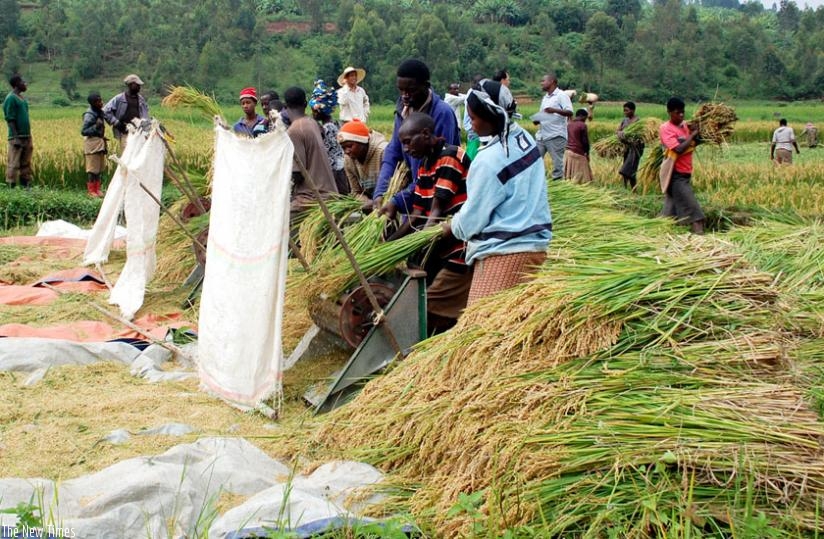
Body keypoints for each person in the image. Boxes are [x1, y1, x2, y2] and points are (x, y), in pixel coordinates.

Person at [443, 79, 552, 305]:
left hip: (505, 253)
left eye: (472, 118)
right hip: (535, 246)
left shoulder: (489, 160)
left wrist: (452, 226)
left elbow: (473, 219)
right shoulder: (523, 138)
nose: (470, 126)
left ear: (491, 116)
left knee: (479, 329)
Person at [387, 112, 472, 333]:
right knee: (415, 293)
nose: (406, 149)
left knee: (428, 310)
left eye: (408, 142)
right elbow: (416, 213)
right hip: (440, 247)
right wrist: (389, 246)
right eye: (402, 144)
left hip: (461, 248)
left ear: (425, 134)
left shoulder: (449, 157)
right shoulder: (425, 164)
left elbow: (435, 212)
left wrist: (415, 247)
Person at [373, 59, 460, 216]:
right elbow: (393, 152)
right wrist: (380, 193)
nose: (405, 96)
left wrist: (397, 201)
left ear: (426, 86)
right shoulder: (402, 110)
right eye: (401, 90)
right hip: (416, 194)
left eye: (411, 90)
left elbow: (438, 170)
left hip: (438, 198)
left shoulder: (442, 114)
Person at [283, 86, 339, 220]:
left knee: (276, 217)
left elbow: (297, 174)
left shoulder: (294, 131)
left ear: (285, 106)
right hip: (329, 192)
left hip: (313, 197)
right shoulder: (312, 123)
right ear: (305, 103)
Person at [659, 97, 705, 235]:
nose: (681, 115)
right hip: (675, 175)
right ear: (669, 112)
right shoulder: (665, 129)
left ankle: (658, 233)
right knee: (694, 211)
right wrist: (692, 136)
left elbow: (693, 143)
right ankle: (701, 239)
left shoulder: (685, 126)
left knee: (669, 211)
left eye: (683, 112)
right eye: (677, 113)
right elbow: (678, 149)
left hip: (685, 173)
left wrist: (698, 135)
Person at [310, 79, 349, 194]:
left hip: (335, 174)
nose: (312, 113)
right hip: (341, 171)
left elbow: (329, 158)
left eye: (313, 110)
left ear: (318, 111)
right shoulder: (336, 124)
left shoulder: (326, 129)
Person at [533, 73, 573, 181]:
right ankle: (538, 183)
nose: (541, 83)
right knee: (534, 162)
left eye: (543, 81)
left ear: (551, 82)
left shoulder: (561, 95)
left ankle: (558, 186)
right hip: (541, 136)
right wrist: (537, 119)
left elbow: (569, 112)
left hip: (555, 135)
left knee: (557, 165)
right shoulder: (545, 98)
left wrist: (554, 110)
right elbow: (544, 113)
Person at [337, 119, 388, 202]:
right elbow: (355, 191)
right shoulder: (348, 160)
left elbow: (394, 188)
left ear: (362, 141)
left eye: (350, 146)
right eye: (343, 148)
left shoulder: (383, 152)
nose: (346, 151)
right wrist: (365, 201)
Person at [3, 74, 33, 189]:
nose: (25, 84)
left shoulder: (22, 98)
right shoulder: (11, 98)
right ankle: (11, 187)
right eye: (23, 82)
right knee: (14, 163)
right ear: (16, 84)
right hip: (17, 137)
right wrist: (15, 137)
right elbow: (10, 118)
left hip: (26, 136)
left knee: (26, 163)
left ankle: (26, 187)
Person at [103, 74, 149, 148]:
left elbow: (145, 115)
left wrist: (147, 129)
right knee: (126, 156)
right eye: (137, 85)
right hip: (125, 133)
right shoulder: (119, 98)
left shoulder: (141, 100)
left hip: (139, 134)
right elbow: (105, 111)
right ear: (130, 85)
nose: (139, 87)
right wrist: (116, 123)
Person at [80, 92, 107, 197]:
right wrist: (95, 127)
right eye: (99, 101)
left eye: (101, 100)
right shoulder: (89, 115)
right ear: (93, 103)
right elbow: (84, 131)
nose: (101, 103)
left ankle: (98, 189)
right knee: (92, 169)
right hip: (92, 144)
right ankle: (91, 191)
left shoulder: (99, 112)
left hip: (99, 142)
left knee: (99, 168)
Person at [617, 101, 644, 190]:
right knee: (626, 166)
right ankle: (624, 189)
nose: (625, 112)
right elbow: (617, 130)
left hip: (635, 149)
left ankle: (633, 189)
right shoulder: (624, 120)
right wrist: (619, 133)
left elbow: (640, 137)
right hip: (626, 148)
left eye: (627, 110)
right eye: (624, 110)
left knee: (629, 170)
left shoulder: (638, 121)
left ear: (633, 110)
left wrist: (629, 139)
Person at [563, 109, 593, 184]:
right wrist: (587, 153)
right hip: (577, 152)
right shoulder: (582, 125)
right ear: (582, 116)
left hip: (568, 152)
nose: (585, 120)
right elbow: (585, 141)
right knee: (584, 178)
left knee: (569, 177)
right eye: (585, 118)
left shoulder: (569, 124)